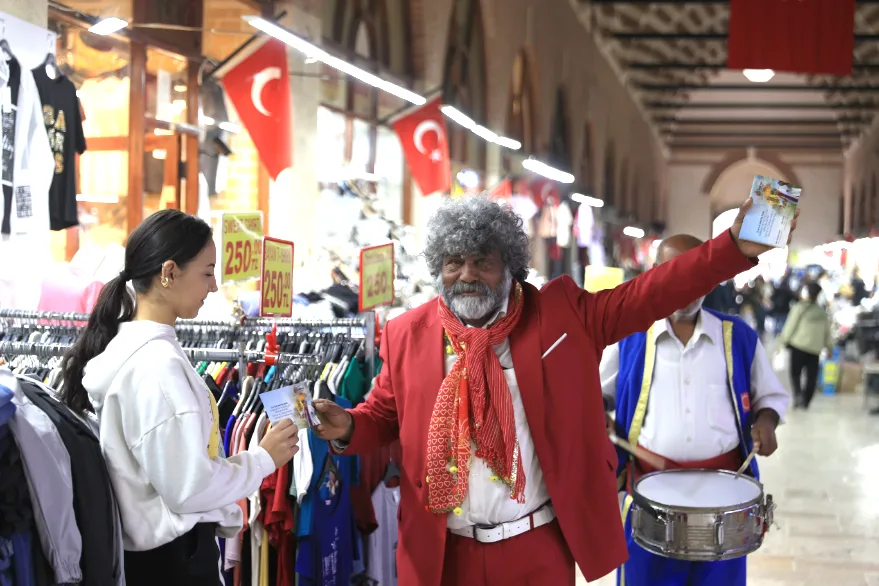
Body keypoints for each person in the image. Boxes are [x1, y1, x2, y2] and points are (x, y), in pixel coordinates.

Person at [312, 195, 798, 586]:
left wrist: (733, 248)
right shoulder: (407, 333)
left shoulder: (562, 317)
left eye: (483, 262)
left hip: (535, 549)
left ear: (509, 267)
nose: (467, 275)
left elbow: (651, 293)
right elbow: (385, 414)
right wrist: (349, 426)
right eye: (454, 262)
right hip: (443, 554)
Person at [59, 209, 300, 586]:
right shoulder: (156, 366)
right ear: (169, 273)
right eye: (207, 272)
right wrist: (262, 458)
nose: (214, 287)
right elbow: (190, 488)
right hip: (171, 561)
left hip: (157, 557)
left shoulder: (142, 353)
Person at [600, 234, 790, 586]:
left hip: (723, 503)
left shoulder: (738, 336)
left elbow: (769, 396)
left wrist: (766, 421)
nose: (683, 287)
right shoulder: (629, 337)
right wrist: (597, 416)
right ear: (654, 274)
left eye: (694, 275)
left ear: (710, 278)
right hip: (648, 499)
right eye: (673, 273)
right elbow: (597, 395)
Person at [778, 281, 834, 410]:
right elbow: (827, 332)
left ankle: (797, 394)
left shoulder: (799, 308)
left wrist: (783, 341)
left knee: (795, 373)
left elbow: (790, 326)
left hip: (798, 345)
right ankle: (806, 400)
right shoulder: (822, 313)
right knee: (811, 377)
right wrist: (829, 348)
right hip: (815, 348)